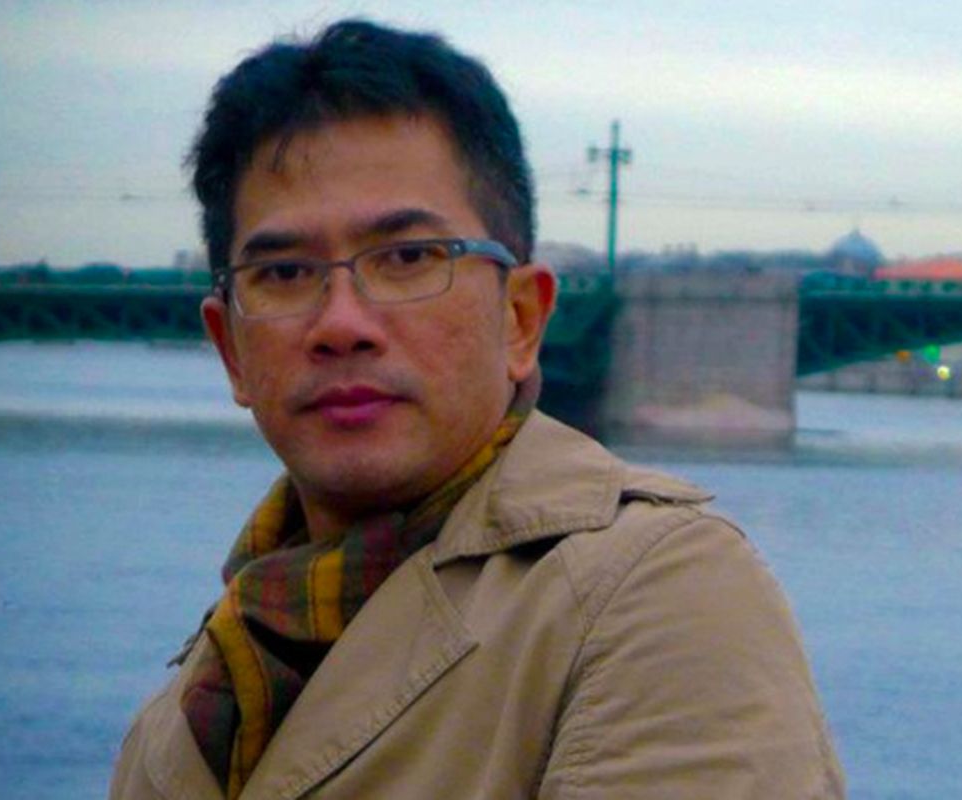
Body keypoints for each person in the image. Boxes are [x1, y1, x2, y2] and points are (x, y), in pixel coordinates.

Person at [110, 18, 844, 799]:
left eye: (407, 258)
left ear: (521, 319)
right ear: (231, 350)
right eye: (285, 272)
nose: (341, 324)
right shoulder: (210, 680)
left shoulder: (662, 597)